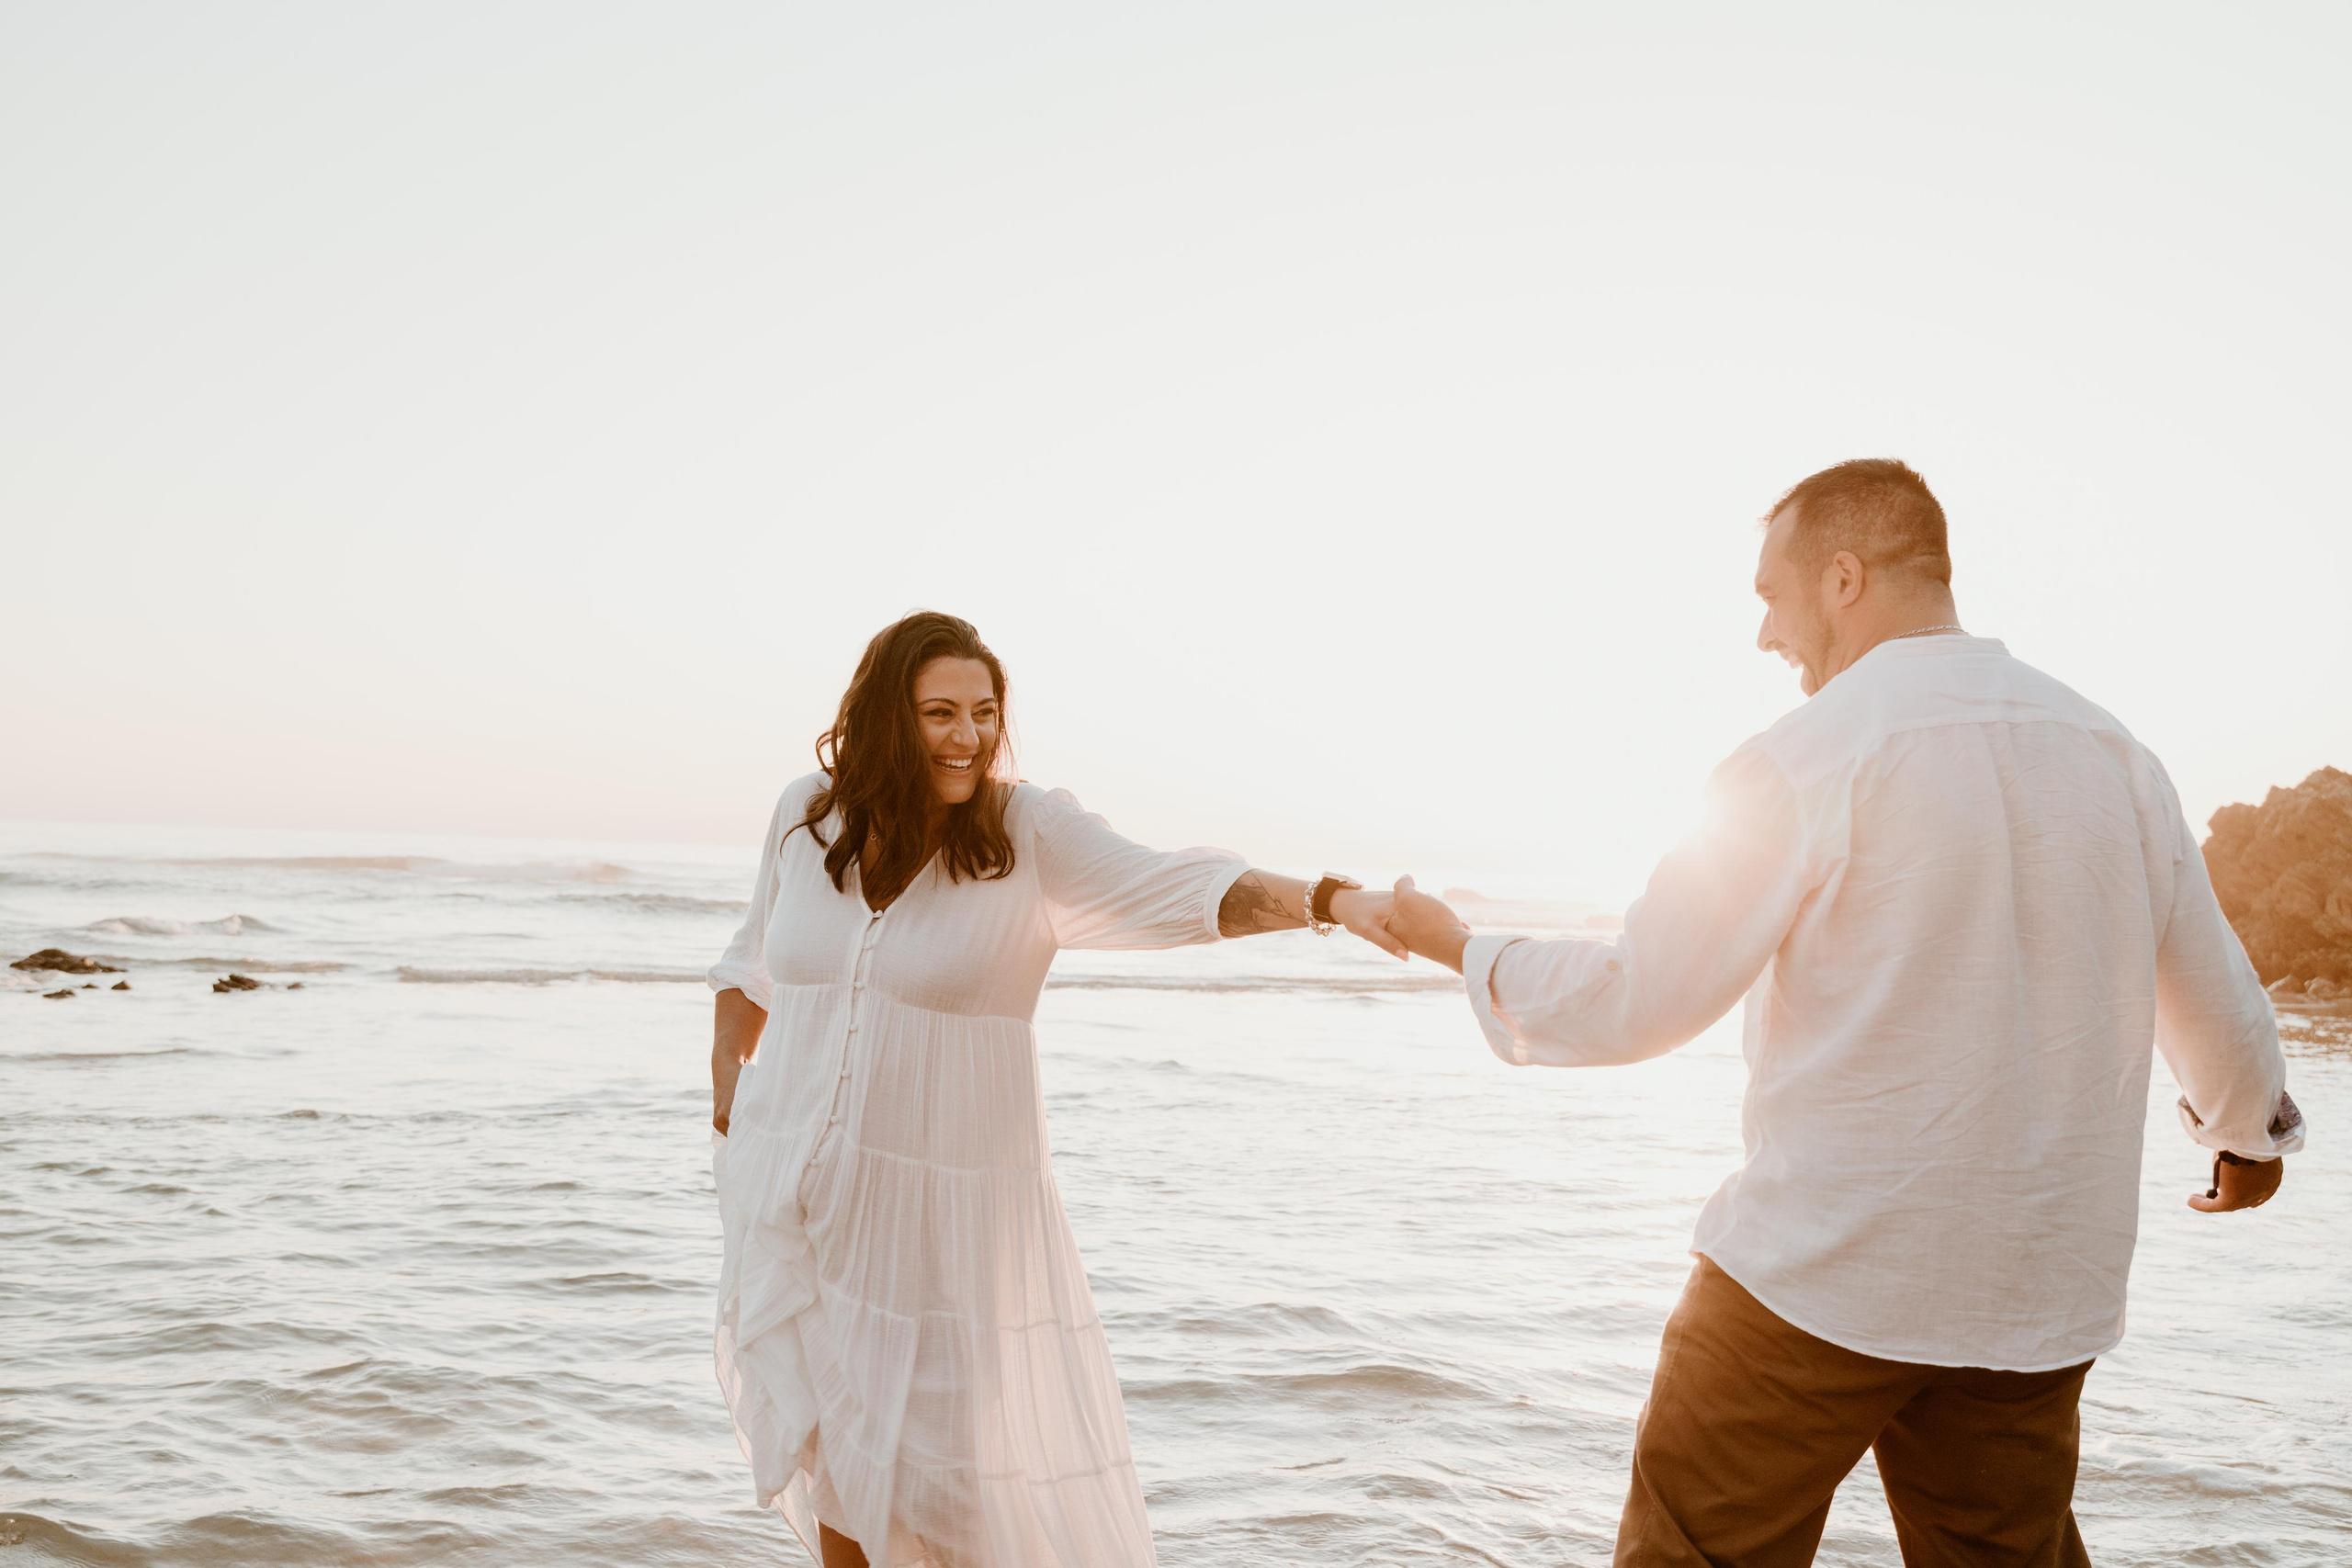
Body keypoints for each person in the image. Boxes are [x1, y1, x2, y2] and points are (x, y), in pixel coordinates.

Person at [1379, 459, 2306, 1567]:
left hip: (1817, 1278)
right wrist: (2245, 1136)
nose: (1765, 634)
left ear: (1844, 577)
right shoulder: (2114, 753)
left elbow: (1639, 998)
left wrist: (1458, 945)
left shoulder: (1806, 756)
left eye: (1771, 596)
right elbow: (2209, 983)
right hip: (2030, 1293)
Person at [705, 610, 1398, 1568]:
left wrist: (1330, 901)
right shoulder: (805, 814)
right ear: (883, 718)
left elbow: (1181, 887)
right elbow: (751, 964)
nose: (968, 737)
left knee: (948, 1492)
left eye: (984, 712)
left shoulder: (1024, 831)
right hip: (801, 1209)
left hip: (947, 1235)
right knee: (839, 1477)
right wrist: (727, 1093)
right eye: (939, 713)